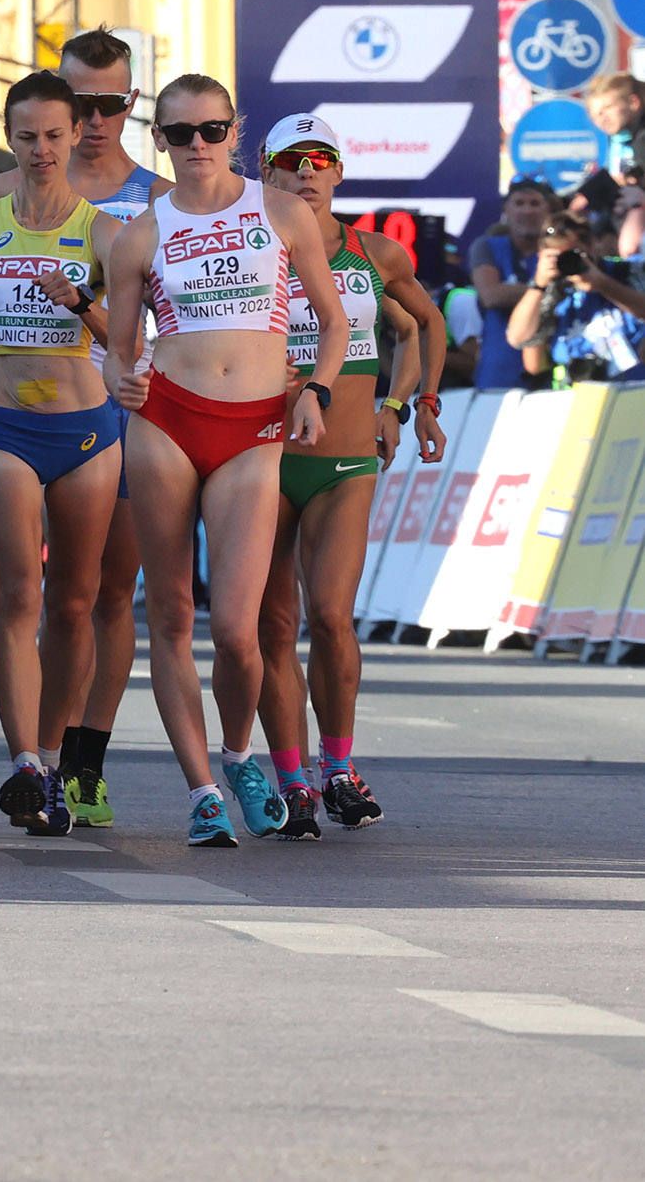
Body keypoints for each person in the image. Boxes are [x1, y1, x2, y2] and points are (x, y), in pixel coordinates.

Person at [103, 74, 345, 848]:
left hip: (253, 429)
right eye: (180, 133)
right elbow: (115, 351)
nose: (197, 145)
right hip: (167, 419)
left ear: (235, 132)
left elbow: (333, 323)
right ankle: (201, 790)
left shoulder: (280, 211)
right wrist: (120, 379)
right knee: (171, 615)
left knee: (239, 632)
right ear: (159, 141)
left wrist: (318, 392)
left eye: (211, 130)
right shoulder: (140, 234)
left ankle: (239, 755)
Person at [0, 72, 125, 836]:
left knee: (74, 602)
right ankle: (24, 763)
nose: (42, 150)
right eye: (27, 136)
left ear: (76, 135)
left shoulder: (104, 233)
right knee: (20, 593)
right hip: (3, 426)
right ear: (8, 139)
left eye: (54, 135)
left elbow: (130, 339)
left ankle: (53, 758)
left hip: (83, 432)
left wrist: (80, 302)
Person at [258, 114, 446, 835]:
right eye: (291, 160)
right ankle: (291, 781)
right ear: (267, 171)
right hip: (262, 460)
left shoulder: (374, 252)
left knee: (332, 617)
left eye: (320, 159)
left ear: (339, 172)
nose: (306, 171)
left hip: (344, 463)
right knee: (274, 625)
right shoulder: (251, 248)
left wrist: (408, 405)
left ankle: (338, 768)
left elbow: (423, 324)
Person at [506, 206, 645, 381]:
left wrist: (602, 284)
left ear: (593, 244)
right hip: (577, 390)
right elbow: (518, 338)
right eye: (561, 257)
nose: (569, 262)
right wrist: (538, 286)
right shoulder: (552, 292)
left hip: (635, 385)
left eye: (575, 254)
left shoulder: (628, 271)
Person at [465, 178, 555, 391]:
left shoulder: (558, 251)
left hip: (551, 375)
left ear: (547, 209)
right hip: (498, 376)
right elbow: (491, 295)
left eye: (535, 203)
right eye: (519, 203)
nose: (527, 211)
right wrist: (547, 288)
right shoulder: (487, 246)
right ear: (506, 208)